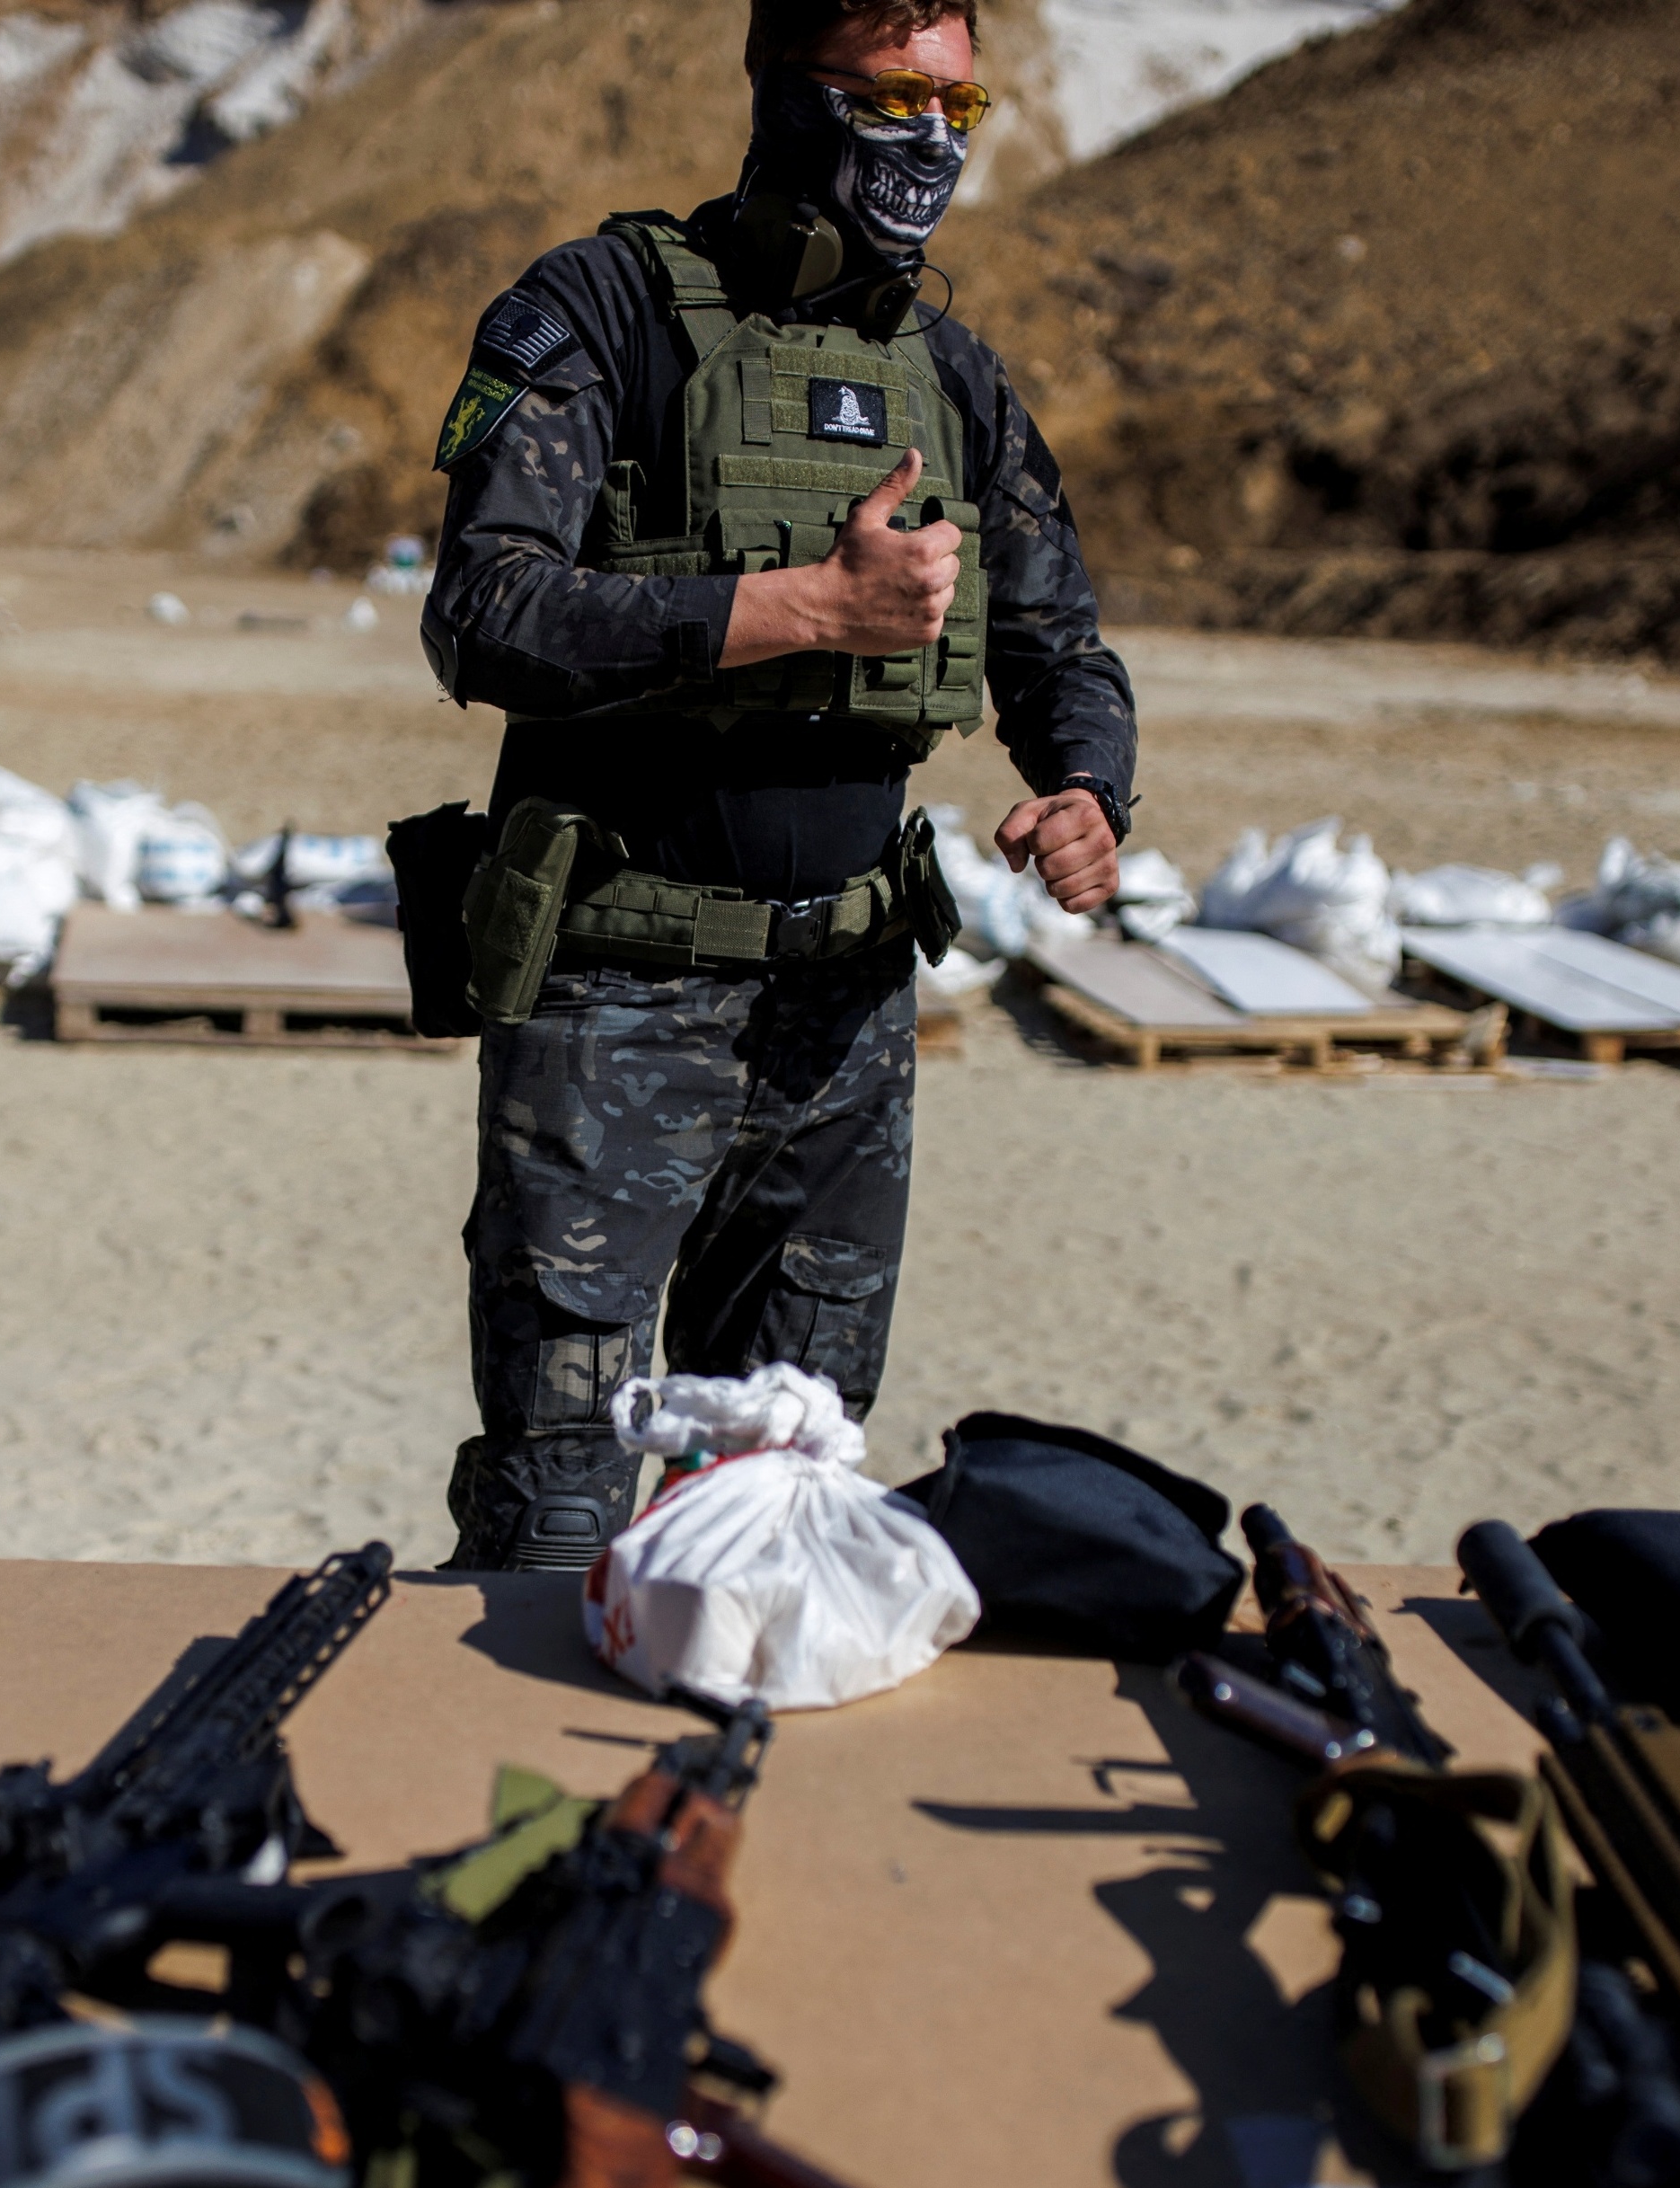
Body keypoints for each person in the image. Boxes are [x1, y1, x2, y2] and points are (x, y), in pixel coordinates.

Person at [421, 0, 1136, 1572]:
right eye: (892, 95)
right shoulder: (595, 309)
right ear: (784, 92)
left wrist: (1086, 787)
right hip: (615, 1006)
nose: (931, 138)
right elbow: (483, 614)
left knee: (783, 1502)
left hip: (842, 1023)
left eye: (961, 104)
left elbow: (1057, 638)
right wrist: (804, 610)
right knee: (559, 1511)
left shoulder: (947, 370)